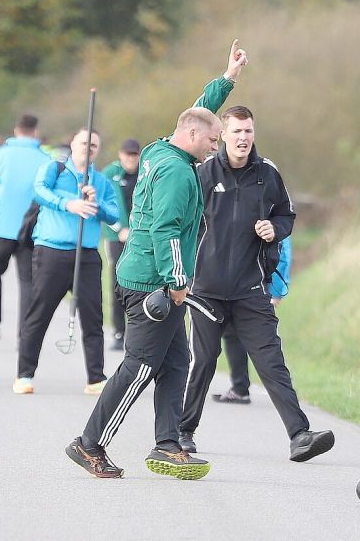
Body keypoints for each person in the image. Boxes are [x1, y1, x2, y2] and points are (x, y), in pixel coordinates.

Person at [65, 39, 247, 480]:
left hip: (145, 276)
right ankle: (89, 444)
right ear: (193, 138)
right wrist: (178, 280)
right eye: (213, 140)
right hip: (153, 284)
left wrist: (227, 81)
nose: (216, 147)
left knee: (175, 362)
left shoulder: (161, 148)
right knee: (140, 365)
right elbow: (166, 230)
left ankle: (167, 444)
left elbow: (196, 113)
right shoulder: (178, 173)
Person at [177, 105, 334, 462]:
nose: (243, 138)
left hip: (251, 288)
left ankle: (299, 435)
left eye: (248, 132)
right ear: (224, 136)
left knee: (271, 360)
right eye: (236, 132)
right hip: (205, 290)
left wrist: (273, 229)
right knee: (203, 361)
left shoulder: (267, 175)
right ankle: (183, 432)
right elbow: (180, 219)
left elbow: (286, 214)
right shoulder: (202, 173)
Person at [13, 128, 119, 395]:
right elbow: (38, 191)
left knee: (93, 318)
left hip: (87, 256)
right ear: (72, 143)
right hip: (52, 252)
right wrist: (68, 203)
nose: (88, 148)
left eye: (94, 145)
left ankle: (95, 378)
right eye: (84, 142)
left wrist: (96, 203)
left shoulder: (102, 181)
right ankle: (24, 375)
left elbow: (114, 214)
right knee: (39, 313)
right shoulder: (55, 169)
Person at [0, 115, 51, 347]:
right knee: (28, 280)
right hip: (31, 228)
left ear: (16, 130)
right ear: (35, 132)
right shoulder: (45, 159)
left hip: (1, 224)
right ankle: (24, 333)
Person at [213, 236, 291, 404]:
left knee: (264, 343)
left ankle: (284, 396)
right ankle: (240, 388)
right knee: (231, 335)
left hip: (262, 290)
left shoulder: (272, 215)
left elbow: (282, 253)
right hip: (240, 288)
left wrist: (277, 291)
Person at [100, 138, 141, 351]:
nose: (131, 160)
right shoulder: (110, 174)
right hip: (118, 238)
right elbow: (103, 204)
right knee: (117, 282)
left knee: (142, 284)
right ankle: (118, 331)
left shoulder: (145, 173)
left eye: (134, 155)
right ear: (120, 155)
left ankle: (139, 332)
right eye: (128, 155)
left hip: (141, 238)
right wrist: (120, 228)